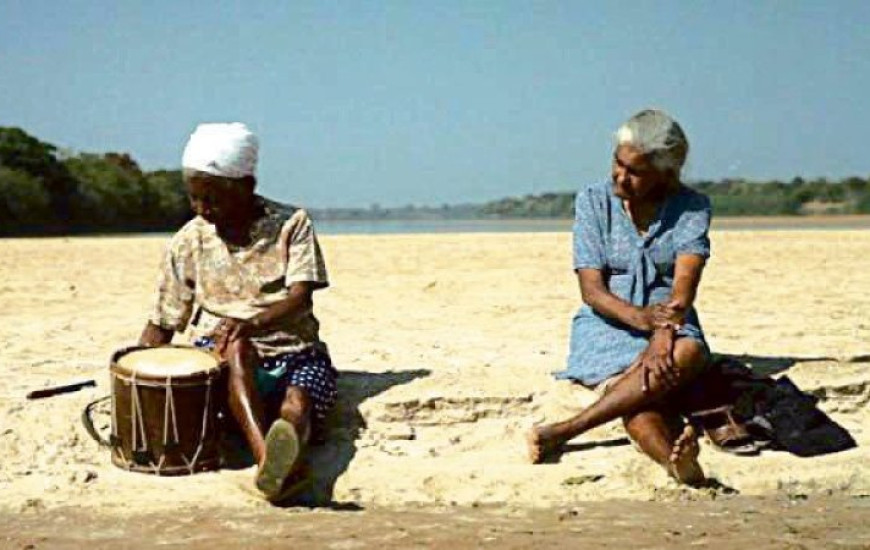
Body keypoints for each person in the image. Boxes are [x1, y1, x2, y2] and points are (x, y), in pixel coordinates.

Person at [138, 122, 337, 501]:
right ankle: (270, 463)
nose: (202, 209)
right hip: (221, 366)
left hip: (295, 353)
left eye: (213, 198)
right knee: (235, 350)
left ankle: (285, 444)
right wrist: (136, 368)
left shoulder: (292, 224)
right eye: (194, 198)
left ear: (246, 185)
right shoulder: (189, 239)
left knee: (297, 404)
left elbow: (301, 296)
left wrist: (254, 321)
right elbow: (163, 321)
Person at [527, 109, 712, 485]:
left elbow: (684, 287)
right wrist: (642, 320)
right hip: (607, 322)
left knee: (682, 356)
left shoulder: (692, 207)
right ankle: (660, 456)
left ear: (664, 173)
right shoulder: (593, 201)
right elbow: (592, 290)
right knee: (637, 394)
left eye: (635, 172)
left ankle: (569, 433)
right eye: (618, 163)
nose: (620, 176)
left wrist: (662, 335)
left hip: (670, 325)